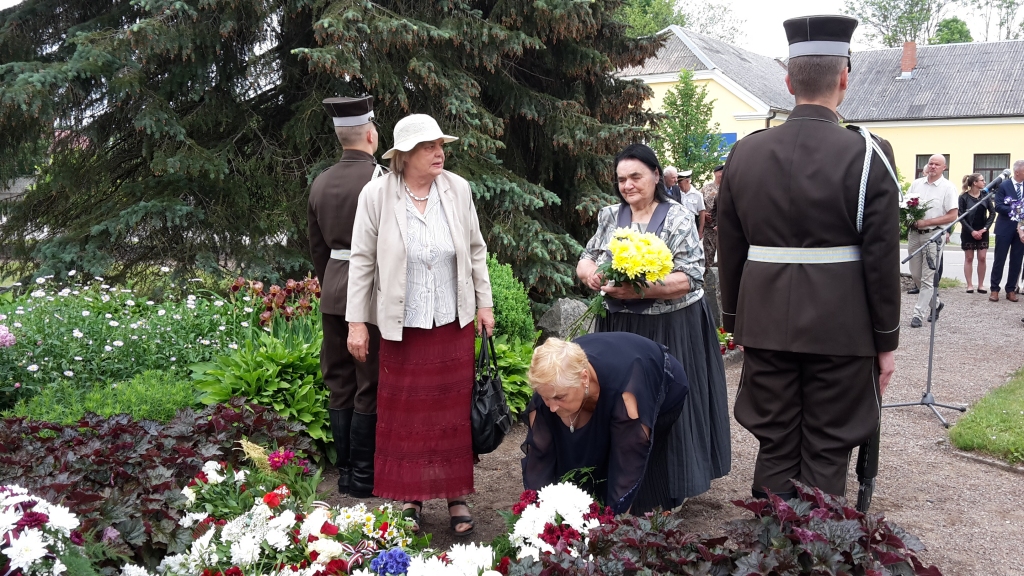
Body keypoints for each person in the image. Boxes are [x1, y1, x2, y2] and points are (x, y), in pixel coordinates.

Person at [717, 14, 901, 499]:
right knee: (826, 446)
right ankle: (818, 553)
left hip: (764, 324)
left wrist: (734, 321)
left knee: (775, 441)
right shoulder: (869, 154)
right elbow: (882, 259)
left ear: (787, 81)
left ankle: (769, 550)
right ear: (844, 79)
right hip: (842, 330)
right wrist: (887, 341)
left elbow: (730, 249)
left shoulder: (744, 154)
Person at [346, 113, 494, 536]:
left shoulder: (457, 189)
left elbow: (475, 249)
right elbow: (361, 261)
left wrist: (484, 304)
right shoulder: (376, 195)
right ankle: (410, 497)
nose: (439, 153)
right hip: (403, 325)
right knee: (407, 415)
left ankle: (456, 496)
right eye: (430, 147)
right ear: (406, 155)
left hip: (452, 319)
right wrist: (357, 322)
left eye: (440, 146)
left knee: (451, 414)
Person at [577, 143, 731, 503]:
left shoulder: (677, 217)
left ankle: (669, 487)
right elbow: (588, 256)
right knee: (623, 404)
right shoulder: (609, 216)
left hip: (671, 327)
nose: (627, 186)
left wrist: (640, 291)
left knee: (664, 403)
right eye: (621, 179)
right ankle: (622, 482)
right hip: (620, 330)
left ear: (656, 176)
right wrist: (591, 276)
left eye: (635, 177)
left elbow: (692, 275)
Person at [307, 96, 385, 499]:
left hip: (333, 290)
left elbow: (317, 248)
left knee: (338, 381)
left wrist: (331, 284)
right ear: (371, 134)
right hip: (369, 293)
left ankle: (345, 474)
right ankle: (365, 476)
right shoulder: (381, 181)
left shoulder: (320, 182)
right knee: (367, 381)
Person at [522, 333, 689, 514]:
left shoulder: (626, 396)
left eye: (559, 398)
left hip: (661, 384)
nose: (552, 407)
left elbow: (627, 464)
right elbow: (539, 457)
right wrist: (537, 515)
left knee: (638, 497)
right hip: (600, 374)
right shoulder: (552, 387)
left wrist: (608, 530)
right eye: (546, 398)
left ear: (584, 378)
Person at [906, 154, 958, 327]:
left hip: (933, 235)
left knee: (928, 277)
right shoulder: (916, 184)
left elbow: (952, 215)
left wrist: (926, 222)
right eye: (931, 163)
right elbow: (906, 205)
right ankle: (936, 304)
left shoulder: (948, 187)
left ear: (944, 168)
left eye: (937, 164)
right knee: (916, 274)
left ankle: (917, 315)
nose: (933, 166)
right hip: (914, 234)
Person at [990, 160, 1024, 302]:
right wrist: (1015, 210)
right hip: (1005, 227)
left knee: (1017, 260)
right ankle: (994, 289)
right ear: (1017, 172)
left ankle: (1010, 289)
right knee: (1000, 259)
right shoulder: (1004, 185)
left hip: (1021, 229)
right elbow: (998, 206)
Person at [959, 174, 995, 294]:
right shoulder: (963, 197)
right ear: (975, 183)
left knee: (982, 258)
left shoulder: (985, 196)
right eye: (982, 180)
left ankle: (981, 284)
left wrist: (985, 228)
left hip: (982, 230)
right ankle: (969, 285)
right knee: (969, 258)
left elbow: (992, 214)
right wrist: (972, 231)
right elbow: (961, 216)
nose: (985, 182)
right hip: (968, 231)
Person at [702, 165, 724, 268]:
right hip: (708, 227)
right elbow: (698, 205)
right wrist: (703, 214)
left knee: (723, 258)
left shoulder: (727, 188)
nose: (722, 174)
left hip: (723, 228)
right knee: (708, 256)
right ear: (715, 173)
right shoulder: (706, 188)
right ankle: (707, 281)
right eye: (720, 172)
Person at [677, 169, 706, 239]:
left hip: (693, 223)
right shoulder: (677, 193)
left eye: (680, 182)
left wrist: (700, 231)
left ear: (687, 181)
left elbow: (702, 213)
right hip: (679, 224)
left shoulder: (697, 195)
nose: (678, 185)